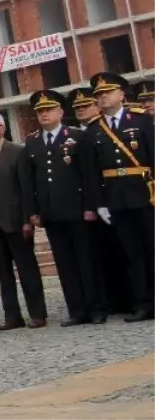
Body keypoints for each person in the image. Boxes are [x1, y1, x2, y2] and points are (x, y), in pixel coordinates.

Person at [20, 89, 108, 326]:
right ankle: (77, 310)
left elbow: (89, 175)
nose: (44, 114)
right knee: (65, 263)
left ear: (60, 111)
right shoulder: (32, 142)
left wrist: (91, 206)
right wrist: (33, 211)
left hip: (79, 210)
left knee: (87, 260)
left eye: (48, 110)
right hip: (51, 213)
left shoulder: (77, 137)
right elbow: (29, 182)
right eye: (40, 111)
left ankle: (96, 308)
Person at [82, 72, 155, 323]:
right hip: (115, 198)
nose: (102, 98)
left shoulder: (142, 121)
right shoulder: (94, 130)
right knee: (131, 253)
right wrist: (99, 203)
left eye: (107, 93)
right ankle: (143, 302)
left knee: (152, 247)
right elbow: (91, 172)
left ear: (121, 95)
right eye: (99, 95)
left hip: (145, 194)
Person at [0, 112, 48, 329]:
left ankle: (37, 314)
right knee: (4, 274)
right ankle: (12, 316)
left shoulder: (17, 152)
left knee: (27, 269)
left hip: (16, 223)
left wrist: (27, 219)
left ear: (2, 129)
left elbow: (25, 188)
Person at [71, 84, 134, 315]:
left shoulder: (110, 127)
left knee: (126, 250)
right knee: (103, 255)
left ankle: (131, 297)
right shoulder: (83, 133)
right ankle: (113, 299)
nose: (81, 110)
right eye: (77, 107)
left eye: (86, 105)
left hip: (122, 197)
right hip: (97, 202)